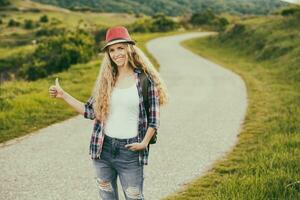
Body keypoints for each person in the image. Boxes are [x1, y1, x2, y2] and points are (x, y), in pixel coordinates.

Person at [49, 26, 168, 200]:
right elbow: (90, 112)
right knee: (106, 197)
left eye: (120, 48)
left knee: (134, 197)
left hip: (131, 153)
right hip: (102, 150)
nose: (116, 53)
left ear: (129, 48)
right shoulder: (106, 81)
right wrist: (64, 95)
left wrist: (143, 143)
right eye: (112, 50)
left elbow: (154, 120)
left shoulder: (145, 80)